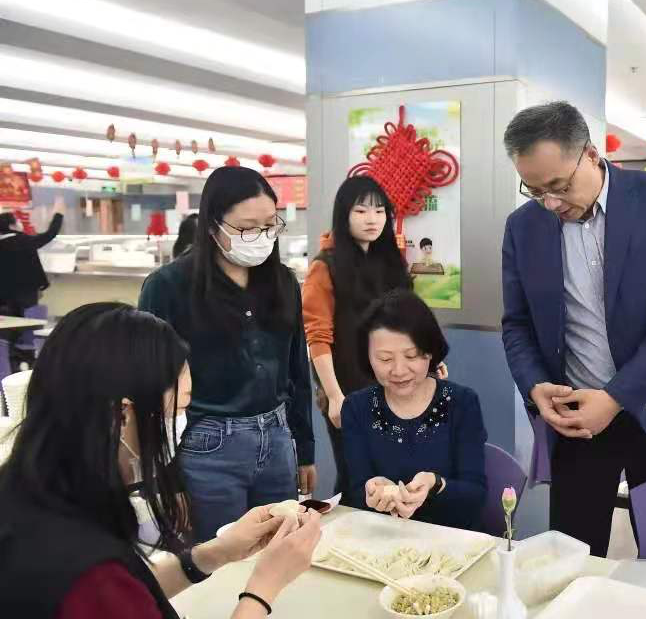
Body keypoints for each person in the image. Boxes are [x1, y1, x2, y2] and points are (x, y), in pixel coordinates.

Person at [0, 302, 322, 619]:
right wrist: (263, 588)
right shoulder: (88, 575)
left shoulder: (29, 495)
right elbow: (108, 598)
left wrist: (215, 552)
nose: (181, 425)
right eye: (180, 410)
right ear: (121, 416)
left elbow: (131, 592)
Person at [500, 101, 646, 556]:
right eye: (534, 190)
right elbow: (516, 324)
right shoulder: (522, 227)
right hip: (577, 420)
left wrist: (615, 398)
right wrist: (535, 386)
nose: (550, 202)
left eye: (559, 186)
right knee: (572, 557)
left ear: (591, 155)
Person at [139, 166, 316, 543]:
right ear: (212, 226)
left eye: (270, 225)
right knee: (219, 559)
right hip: (207, 446)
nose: (262, 237)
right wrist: (167, 478)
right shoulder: (168, 287)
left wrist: (305, 449)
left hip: (277, 438)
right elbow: (151, 386)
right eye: (247, 228)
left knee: (281, 548)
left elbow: (297, 369)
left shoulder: (283, 282)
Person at [302, 176, 413, 503]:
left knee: (396, 472)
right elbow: (317, 336)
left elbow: (407, 320)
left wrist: (429, 358)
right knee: (357, 476)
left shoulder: (391, 260)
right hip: (349, 391)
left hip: (396, 385)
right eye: (361, 211)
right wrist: (334, 395)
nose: (372, 219)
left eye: (379, 211)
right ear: (344, 214)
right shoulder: (325, 266)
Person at [340, 289, 486, 530]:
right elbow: (354, 492)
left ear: (430, 352)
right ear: (368, 358)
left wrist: (436, 484)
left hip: (451, 541)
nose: (399, 370)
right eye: (385, 359)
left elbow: (476, 495)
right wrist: (371, 491)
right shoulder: (356, 408)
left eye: (411, 356)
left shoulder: (462, 403)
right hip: (381, 539)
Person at [0, 197, 65, 316]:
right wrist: (58, 214)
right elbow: (50, 234)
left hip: (4, 294)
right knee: (28, 320)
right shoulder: (22, 241)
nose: (20, 224)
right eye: (18, 221)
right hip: (25, 292)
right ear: (11, 226)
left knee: (8, 321)